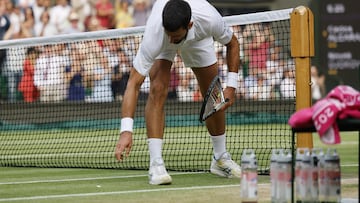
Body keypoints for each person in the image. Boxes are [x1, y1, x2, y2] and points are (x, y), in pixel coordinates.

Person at [114, 0, 241, 185]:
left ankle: (220, 158)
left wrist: (231, 86)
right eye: (170, 35)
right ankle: (156, 165)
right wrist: (126, 131)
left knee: (213, 91)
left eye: (176, 37)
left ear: (189, 25)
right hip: (164, 38)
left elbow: (233, 43)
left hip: (198, 37)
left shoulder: (209, 18)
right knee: (157, 88)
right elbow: (133, 83)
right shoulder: (157, 33)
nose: (173, 41)